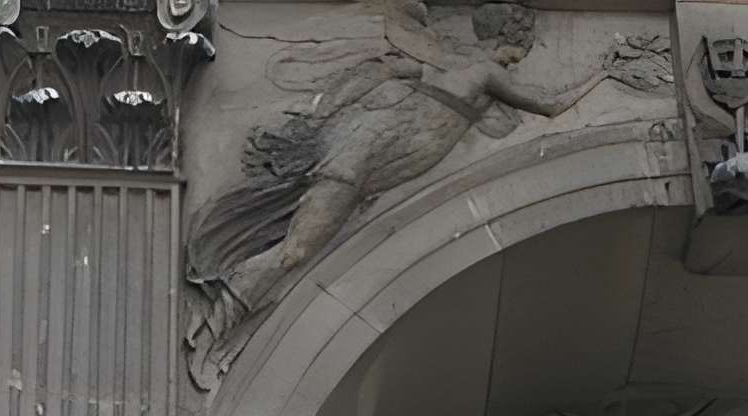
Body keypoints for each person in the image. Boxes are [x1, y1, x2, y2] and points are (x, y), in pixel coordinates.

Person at [186, 3, 661, 385]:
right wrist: (604, 71)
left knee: (297, 250)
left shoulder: (453, 62)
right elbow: (551, 105)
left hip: (365, 172)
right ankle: (221, 317)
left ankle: (227, 316)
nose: (527, 47)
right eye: (525, 39)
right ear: (513, 38)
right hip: (356, 171)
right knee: (296, 252)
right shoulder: (483, 72)